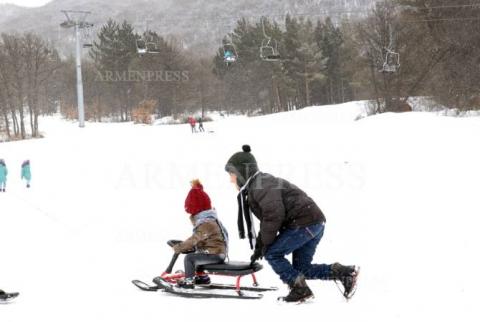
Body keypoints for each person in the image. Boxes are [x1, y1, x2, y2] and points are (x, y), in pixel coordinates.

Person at [225, 145, 358, 302]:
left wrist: (265, 246)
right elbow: (269, 219)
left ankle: (299, 289)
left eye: (232, 174)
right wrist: (261, 244)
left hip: (304, 223)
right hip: (313, 222)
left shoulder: (261, 185)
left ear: (242, 172)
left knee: (272, 253)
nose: (231, 179)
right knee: (301, 268)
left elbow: (273, 215)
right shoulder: (260, 183)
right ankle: (345, 273)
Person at [171, 179, 229, 289]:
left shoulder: (206, 223)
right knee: (197, 255)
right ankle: (203, 277)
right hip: (215, 252)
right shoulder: (209, 219)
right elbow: (199, 239)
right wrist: (185, 246)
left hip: (215, 255)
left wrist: (179, 247)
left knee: (189, 258)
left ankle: (189, 282)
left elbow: (194, 239)